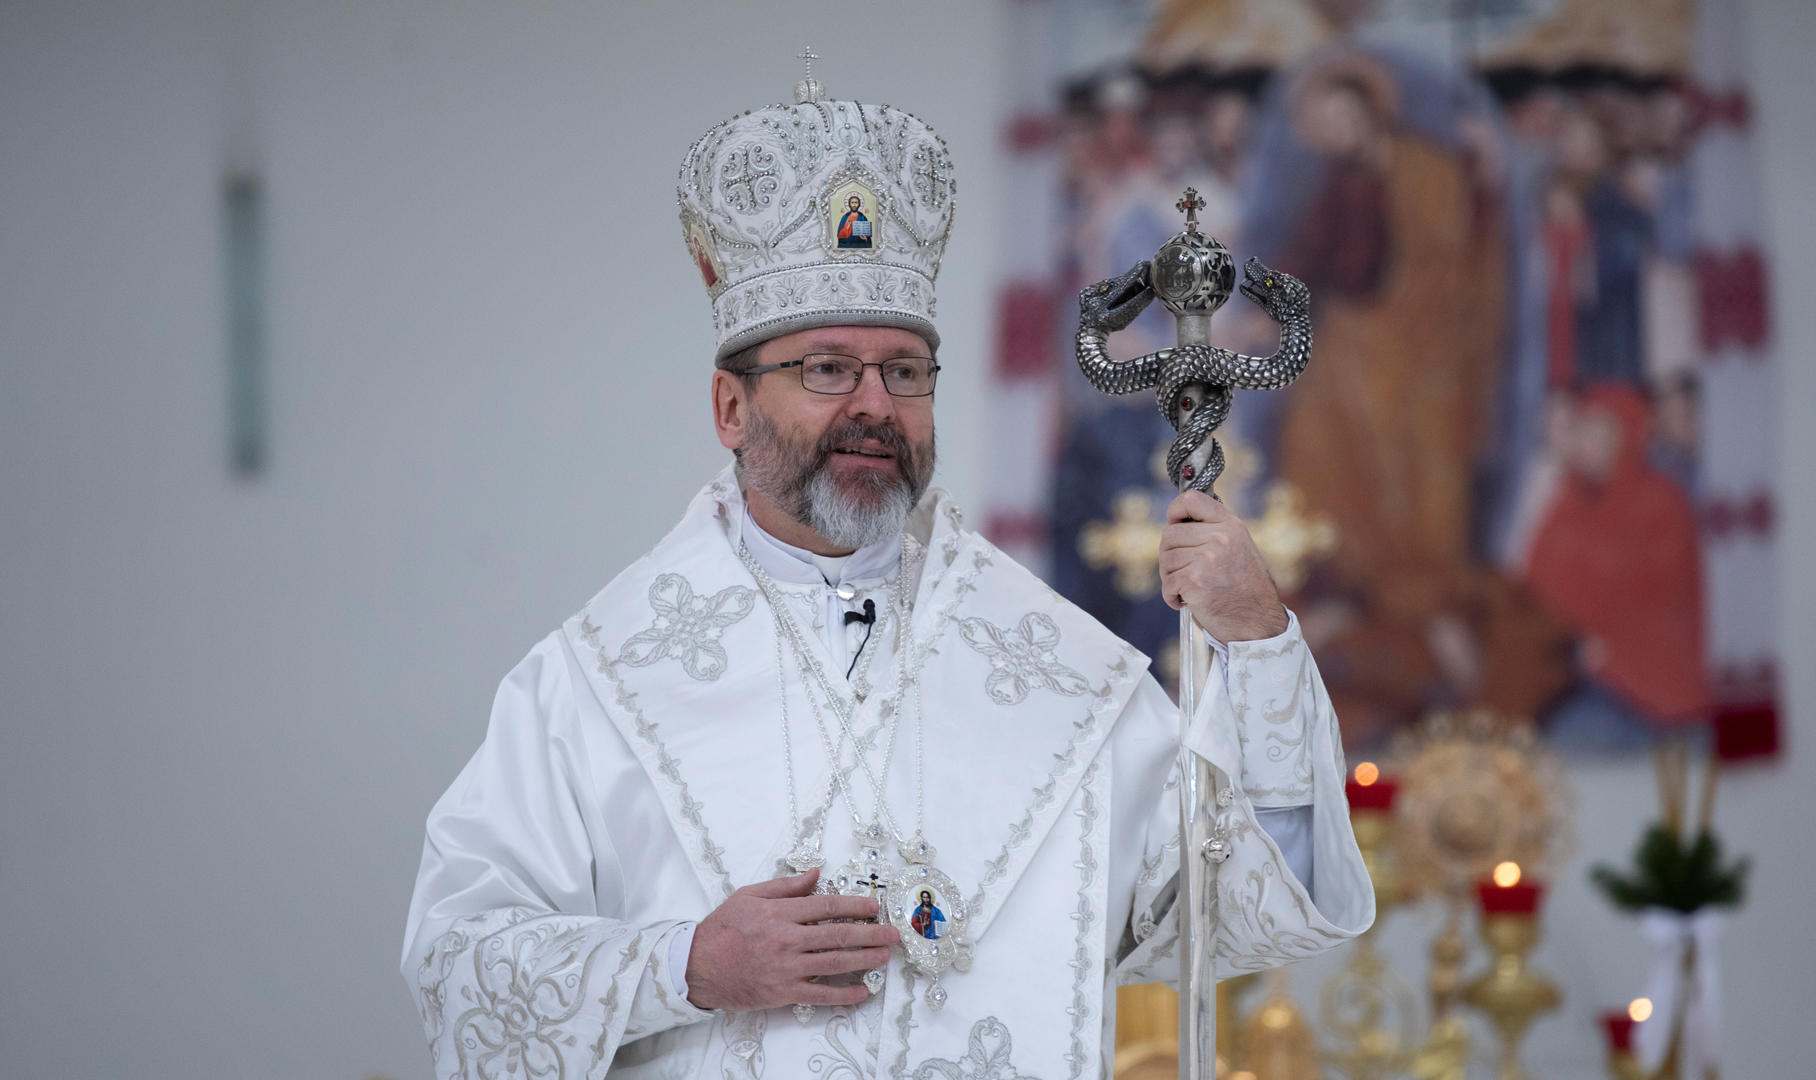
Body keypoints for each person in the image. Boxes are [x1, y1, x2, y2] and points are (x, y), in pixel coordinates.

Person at [402, 71, 1372, 1080]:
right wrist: (685, 964)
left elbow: (1251, 907)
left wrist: (1258, 643)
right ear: (731, 409)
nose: (874, 404)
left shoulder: (1070, 683)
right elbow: (459, 970)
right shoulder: (590, 689)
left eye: (904, 372)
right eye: (827, 367)